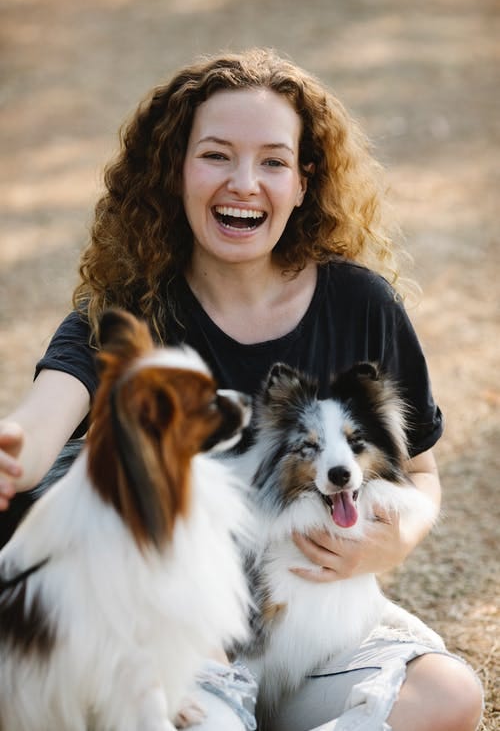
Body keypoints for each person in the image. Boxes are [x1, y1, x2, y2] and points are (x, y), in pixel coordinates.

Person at [0, 48, 483, 731]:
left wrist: (399, 537)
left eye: (274, 161)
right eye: (216, 155)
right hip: (188, 640)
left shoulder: (360, 304)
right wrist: (12, 454)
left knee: (451, 699)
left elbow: (422, 472)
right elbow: (45, 415)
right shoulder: (132, 312)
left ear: (305, 181)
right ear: (175, 172)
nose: (244, 183)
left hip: (320, 623)